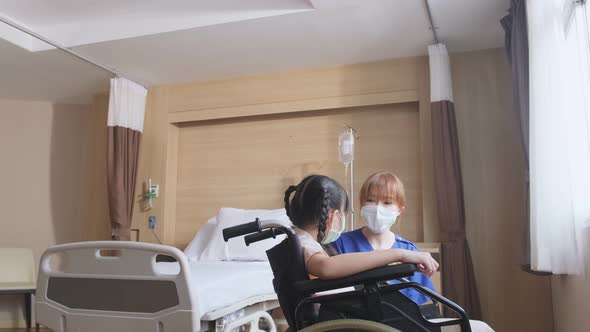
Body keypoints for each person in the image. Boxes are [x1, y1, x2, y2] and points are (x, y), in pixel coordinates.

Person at [283, 174, 438, 280]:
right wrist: (398, 254)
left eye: (387, 202)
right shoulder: (303, 242)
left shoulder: (299, 240)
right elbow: (325, 267)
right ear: (333, 216)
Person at [331, 171, 435, 304]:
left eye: (387, 202)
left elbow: (418, 306)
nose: (378, 208)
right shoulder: (341, 244)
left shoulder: (411, 252)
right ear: (361, 204)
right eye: (370, 200)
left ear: (399, 210)